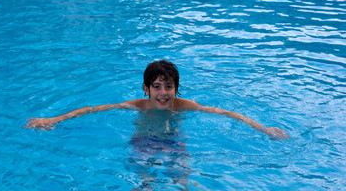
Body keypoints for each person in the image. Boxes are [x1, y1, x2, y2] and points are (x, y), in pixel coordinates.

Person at [26, 60, 289, 140]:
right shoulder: (138, 105)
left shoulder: (186, 106)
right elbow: (93, 109)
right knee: (143, 177)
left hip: (173, 139)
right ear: (145, 89)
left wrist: (264, 129)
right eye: (156, 87)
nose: (163, 93)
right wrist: (54, 119)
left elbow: (228, 113)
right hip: (143, 138)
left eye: (169, 87)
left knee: (182, 175)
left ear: (177, 88)